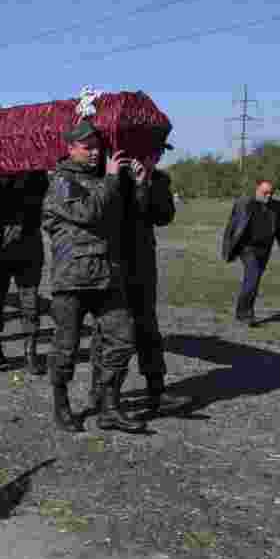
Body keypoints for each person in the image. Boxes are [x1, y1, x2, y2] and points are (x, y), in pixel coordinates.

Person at [42, 119, 145, 433]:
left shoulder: (106, 179)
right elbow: (88, 212)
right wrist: (113, 179)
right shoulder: (61, 181)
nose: (94, 153)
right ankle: (61, 405)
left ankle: (108, 406)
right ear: (70, 148)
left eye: (98, 148)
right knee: (66, 348)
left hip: (107, 276)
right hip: (72, 279)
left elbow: (131, 218)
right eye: (87, 148)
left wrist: (139, 184)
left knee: (122, 339)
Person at [90, 141, 186, 415]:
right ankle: (101, 392)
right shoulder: (113, 175)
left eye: (158, 153)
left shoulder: (159, 180)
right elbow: (105, 212)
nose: (153, 157)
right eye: (149, 152)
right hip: (113, 261)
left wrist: (145, 185)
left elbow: (164, 216)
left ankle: (157, 391)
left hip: (143, 264)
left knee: (148, 327)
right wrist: (123, 179)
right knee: (107, 330)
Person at [0, 171, 48, 374]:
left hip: (28, 243)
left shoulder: (37, 173)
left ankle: (30, 353)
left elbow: (42, 202)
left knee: (30, 303)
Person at [221, 179, 280, 326]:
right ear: (257, 190)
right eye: (265, 193)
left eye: (271, 193)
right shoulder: (244, 203)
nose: (268, 196)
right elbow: (231, 226)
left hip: (264, 250)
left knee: (254, 281)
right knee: (252, 277)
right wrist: (227, 249)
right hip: (247, 248)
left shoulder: (277, 206)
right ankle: (246, 314)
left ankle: (244, 312)